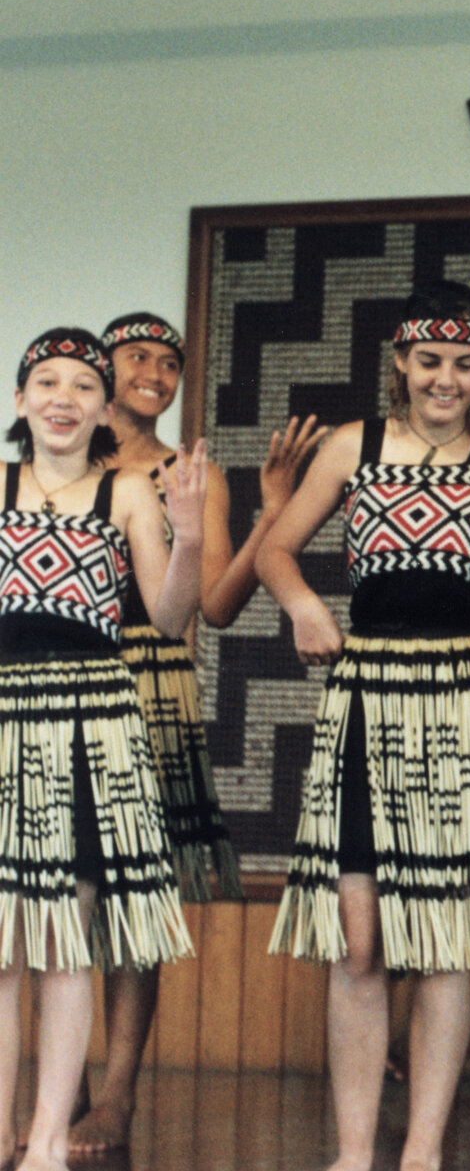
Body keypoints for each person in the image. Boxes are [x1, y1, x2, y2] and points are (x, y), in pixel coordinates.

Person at [259, 282, 470, 1171]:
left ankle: (419, 1153)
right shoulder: (354, 446)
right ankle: (352, 1153)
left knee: (447, 934)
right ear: (400, 362)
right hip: (367, 691)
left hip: (460, 690)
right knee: (360, 933)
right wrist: (303, 604)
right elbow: (274, 544)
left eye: (462, 364)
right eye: (429, 362)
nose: (444, 380)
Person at [67, 311, 323, 1156]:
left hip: (150, 685)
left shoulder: (190, 471)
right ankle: (56, 1085)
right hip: (52, 688)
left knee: (136, 901)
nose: (156, 371)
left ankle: (117, 1096)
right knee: (53, 891)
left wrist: (270, 514)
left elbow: (213, 606)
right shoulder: (56, 458)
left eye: (170, 362)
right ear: (100, 368)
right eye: (138, 356)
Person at [0, 329, 202, 1171]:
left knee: (64, 941)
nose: (64, 398)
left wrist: (188, 533)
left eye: (83, 385)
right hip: (5, 717)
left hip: (93, 724)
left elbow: (166, 617)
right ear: (20, 400)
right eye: (47, 382)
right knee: (3, 945)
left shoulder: (123, 492)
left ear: (101, 405)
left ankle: (48, 1137)